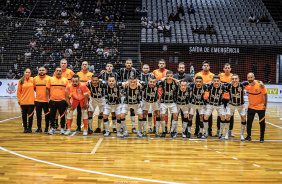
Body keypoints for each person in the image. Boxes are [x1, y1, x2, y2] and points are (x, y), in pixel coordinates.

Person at [118, 58, 140, 133]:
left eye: (130, 63)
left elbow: (139, 79)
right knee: (122, 111)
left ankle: (133, 127)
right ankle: (121, 127)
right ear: (125, 64)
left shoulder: (135, 71)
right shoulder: (121, 70)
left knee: (132, 110)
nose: (128, 64)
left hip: (132, 93)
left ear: (132, 64)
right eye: (127, 63)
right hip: (123, 93)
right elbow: (117, 80)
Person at [244, 73, 268, 143]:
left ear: (254, 77)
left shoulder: (260, 85)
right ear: (247, 78)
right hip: (251, 106)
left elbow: (265, 95)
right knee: (249, 122)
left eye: (251, 77)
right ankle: (248, 136)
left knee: (262, 123)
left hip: (260, 107)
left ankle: (262, 137)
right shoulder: (246, 85)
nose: (250, 79)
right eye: (249, 77)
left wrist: (265, 105)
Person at [194, 61, 215, 136]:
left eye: (207, 65)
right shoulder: (198, 75)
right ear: (202, 67)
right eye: (204, 65)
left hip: (209, 98)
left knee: (209, 115)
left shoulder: (212, 75)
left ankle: (209, 131)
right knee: (198, 115)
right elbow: (195, 86)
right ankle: (197, 130)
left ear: (209, 67)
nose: (206, 67)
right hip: (199, 98)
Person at [53, 59, 74, 129]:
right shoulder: (55, 73)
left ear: (67, 64)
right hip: (58, 95)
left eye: (64, 63)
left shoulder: (70, 72)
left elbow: (74, 82)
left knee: (67, 111)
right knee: (57, 111)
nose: (63, 64)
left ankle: (67, 124)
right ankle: (56, 123)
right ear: (60, 64)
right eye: (62, 63)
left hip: (68, 95)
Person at [46, 68, 69, 135]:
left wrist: (67, 99)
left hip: (62, 101)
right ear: (55, 72)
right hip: (52, 100)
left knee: (62, 116)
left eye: (60, 71)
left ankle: (62, 128)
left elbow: (68, 90)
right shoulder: (50, 79)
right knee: (52, 115)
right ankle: (52, 128)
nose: (58, 72)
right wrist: (48, 99)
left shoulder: (65, 80)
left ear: (62, 72)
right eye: (57, 71)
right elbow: (47, 89)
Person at [158, 71, 179, 138]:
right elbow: (157, 82)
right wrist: (164, 78)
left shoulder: (175, 83)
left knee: (175, 115)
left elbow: (181, 82)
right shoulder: (163, 82)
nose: (169, 77)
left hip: (172, 102)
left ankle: (172, 131)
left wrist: (175, 79)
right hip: (163, 102)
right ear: (166, 76)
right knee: (162, 116)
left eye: (171, 76)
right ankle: (164, 131)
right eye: (168, 76)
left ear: (173, 76)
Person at [217, 63, 233, 137]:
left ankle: (230, 131)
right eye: (225, 68)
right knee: (220, 115)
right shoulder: (220, 76)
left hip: (230, 98)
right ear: (223, 69)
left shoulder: (233, 76)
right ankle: (218, 130)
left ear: (230, 69)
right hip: (222, 98)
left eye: (228, 68)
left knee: (230, 115)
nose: (227, 69)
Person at [76, 61, 94, 132]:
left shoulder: (91, 74)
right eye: (83, 64)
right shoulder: (78, 74)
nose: (84, 66)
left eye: (86, 64)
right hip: (79, 96)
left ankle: (88, 127)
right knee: (79, 112)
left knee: (87, 112)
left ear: (88, 66)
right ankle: (78, 126)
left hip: (88, 96)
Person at [152, 59, 168, 133]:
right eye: (160, 63)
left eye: (163, 63)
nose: (161, 65)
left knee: (165, 112)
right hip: (156, 95)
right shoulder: (154, 72)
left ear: (165, 65)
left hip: (165, 95)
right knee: (156, 111)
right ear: (158, 64)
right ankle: (155, 126)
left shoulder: (168, 72)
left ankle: (165, 126)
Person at [17, 68, 35, 133]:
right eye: (26, 72)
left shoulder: (33, 80)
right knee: (24, 116)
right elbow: (18, 91)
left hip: (31, 102)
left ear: (30, 73)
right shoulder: (20, 80)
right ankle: (25, 128)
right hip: (23, 102)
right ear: (24, 73)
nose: (27, 73)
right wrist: (19, 100)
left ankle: (30, 128)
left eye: (29, 72)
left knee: (30, 116)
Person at [33, 67, 50, 133]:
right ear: (38, 71)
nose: (41, 71)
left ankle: (46, 128)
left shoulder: (49, 78)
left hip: (46, 101)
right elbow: (34, 88)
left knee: (47, 115)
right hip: (38, 100)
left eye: (43, 70)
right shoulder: (35, 79)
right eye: (40, 70)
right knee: (38, 115)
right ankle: (39, 128)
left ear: (46, 71)